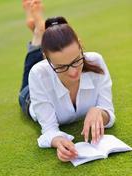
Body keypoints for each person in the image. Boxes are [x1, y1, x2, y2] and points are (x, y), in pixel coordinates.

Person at [19, 0, 115, 162]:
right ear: (47, 60)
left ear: (81, 45)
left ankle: (40, 34)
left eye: (77, 60)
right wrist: (58, 141)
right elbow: (49, 129)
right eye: (62, 67)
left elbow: (108, 112)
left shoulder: (96, 61)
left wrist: (99, 111)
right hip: (29, 96)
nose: (73, 72)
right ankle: (38, 34)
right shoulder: (40, 73)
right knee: (31, 69)